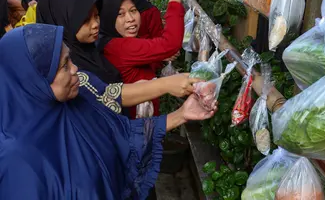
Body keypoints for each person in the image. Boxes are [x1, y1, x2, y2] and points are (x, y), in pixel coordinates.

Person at [0, 23, 217, 199]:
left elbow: (121, 134)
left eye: (71, 59)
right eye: (64, 66)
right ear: (35, 81)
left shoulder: (77, 104)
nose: (75, 69)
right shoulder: (16, 161)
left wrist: (181, 114)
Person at [36, 0, 199, 112]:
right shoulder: (70, 65)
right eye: (85, 20)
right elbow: (107, 94)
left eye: (96, 16)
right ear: (65, 20)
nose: (95, 25)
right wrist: (166, 85)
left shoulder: (90, 48)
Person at [98, 0, 187, 118]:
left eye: (133, 11)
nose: (130, 19)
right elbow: (170, 44)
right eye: (120, 14)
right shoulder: (120, 47)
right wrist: (175, 1)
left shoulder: (109, 42)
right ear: (107, 18)